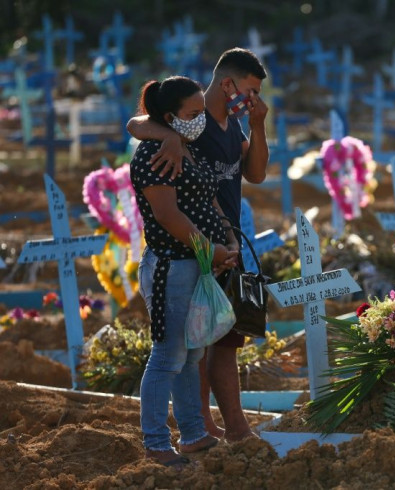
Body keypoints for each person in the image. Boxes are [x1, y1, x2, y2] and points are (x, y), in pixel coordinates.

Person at [127, 48, 269, 442]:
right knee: (193, 348)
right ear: (229, 84)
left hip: (222, 248)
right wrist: (168, 134)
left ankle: (220, 430)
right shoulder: (190, 121)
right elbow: (137, 123)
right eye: (250, 90)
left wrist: (258, 126)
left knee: (221, 342)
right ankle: (199, 429)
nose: (253, 99)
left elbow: (255, 173)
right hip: (190, 252)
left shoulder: (229, 127)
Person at [130, 75, 240, 466]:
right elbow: (167, 214)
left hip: (198, 263)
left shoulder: (186, 148)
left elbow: (209, 200)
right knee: (167, 356)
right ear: (169, 117)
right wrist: (208, 248)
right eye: (192, 114)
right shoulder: (152, 156)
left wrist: (227, 238)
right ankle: (157, 442)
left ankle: (194, 434)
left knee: (191, 355)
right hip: (171, 267)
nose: (200, 120)